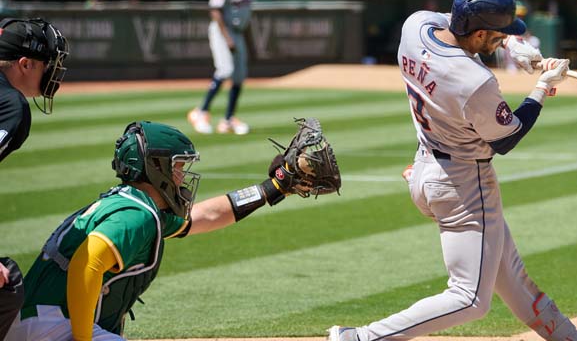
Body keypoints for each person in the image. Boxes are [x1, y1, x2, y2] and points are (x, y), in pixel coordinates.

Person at [327, 0, 577, 341]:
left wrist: (513, 46)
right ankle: (360, 338)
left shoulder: (414, 26)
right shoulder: (473, 80)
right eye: (497, 36)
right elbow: (506, 138)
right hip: (464, 187)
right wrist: (542, 86)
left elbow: (453, 23)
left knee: (513, 280)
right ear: (479, 33)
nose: (501, 40)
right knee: (470, 298)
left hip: (426, 168)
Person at [5, 119, 334, 340]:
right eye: (178, 166)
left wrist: (272, 188)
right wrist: (83, 337)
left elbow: (201, 217)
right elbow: (86, 263)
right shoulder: (136, 217)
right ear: (156, 168)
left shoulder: (139, 205)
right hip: (49, 325)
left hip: (40, 320)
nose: (182, 175)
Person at [0, 17, 69, 339]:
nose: (53, 72)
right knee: (6, 287)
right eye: (46, 64)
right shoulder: (11, 107)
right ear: (25, 64)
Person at [188, 0, 257, 135]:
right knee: (225, 70)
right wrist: (228, 39)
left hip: (239, 33)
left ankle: (228, 120)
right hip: (222, 31)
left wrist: (250, 44)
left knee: (239, 77)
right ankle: (200, 112)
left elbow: (246, 18)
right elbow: (215, 11)